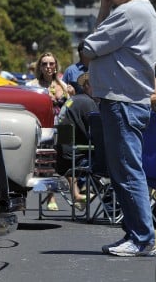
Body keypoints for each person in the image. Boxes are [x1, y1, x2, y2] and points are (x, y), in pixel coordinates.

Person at [81, 0, 156, 257]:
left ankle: (141, 237)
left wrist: (103, 12)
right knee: (125, 171)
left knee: (127, 172)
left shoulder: (130, 12)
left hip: (122, 102)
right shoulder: (139, 11)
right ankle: (136, 234)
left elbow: (89, 48)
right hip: (126, 101)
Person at [27, 52, 74, 211]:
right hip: (43, 128)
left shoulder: (63, 85)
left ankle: (76, 192)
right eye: (44, 64)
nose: (48, 67)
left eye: (51, 64)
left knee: (68, 158)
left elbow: (70, 108)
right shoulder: (32, 85)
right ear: (39, 67)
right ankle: (50, 196)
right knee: (46, 163)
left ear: (56, 67)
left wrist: (71, 96)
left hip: (62, 128)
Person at [56, 73, 98, 210]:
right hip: (75, 158)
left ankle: (82, 193)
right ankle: (88, 190)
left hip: (61, 158)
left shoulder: (75, 100)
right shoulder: (88, 103)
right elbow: (98, 134)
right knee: (111, 161)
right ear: (87, 86)